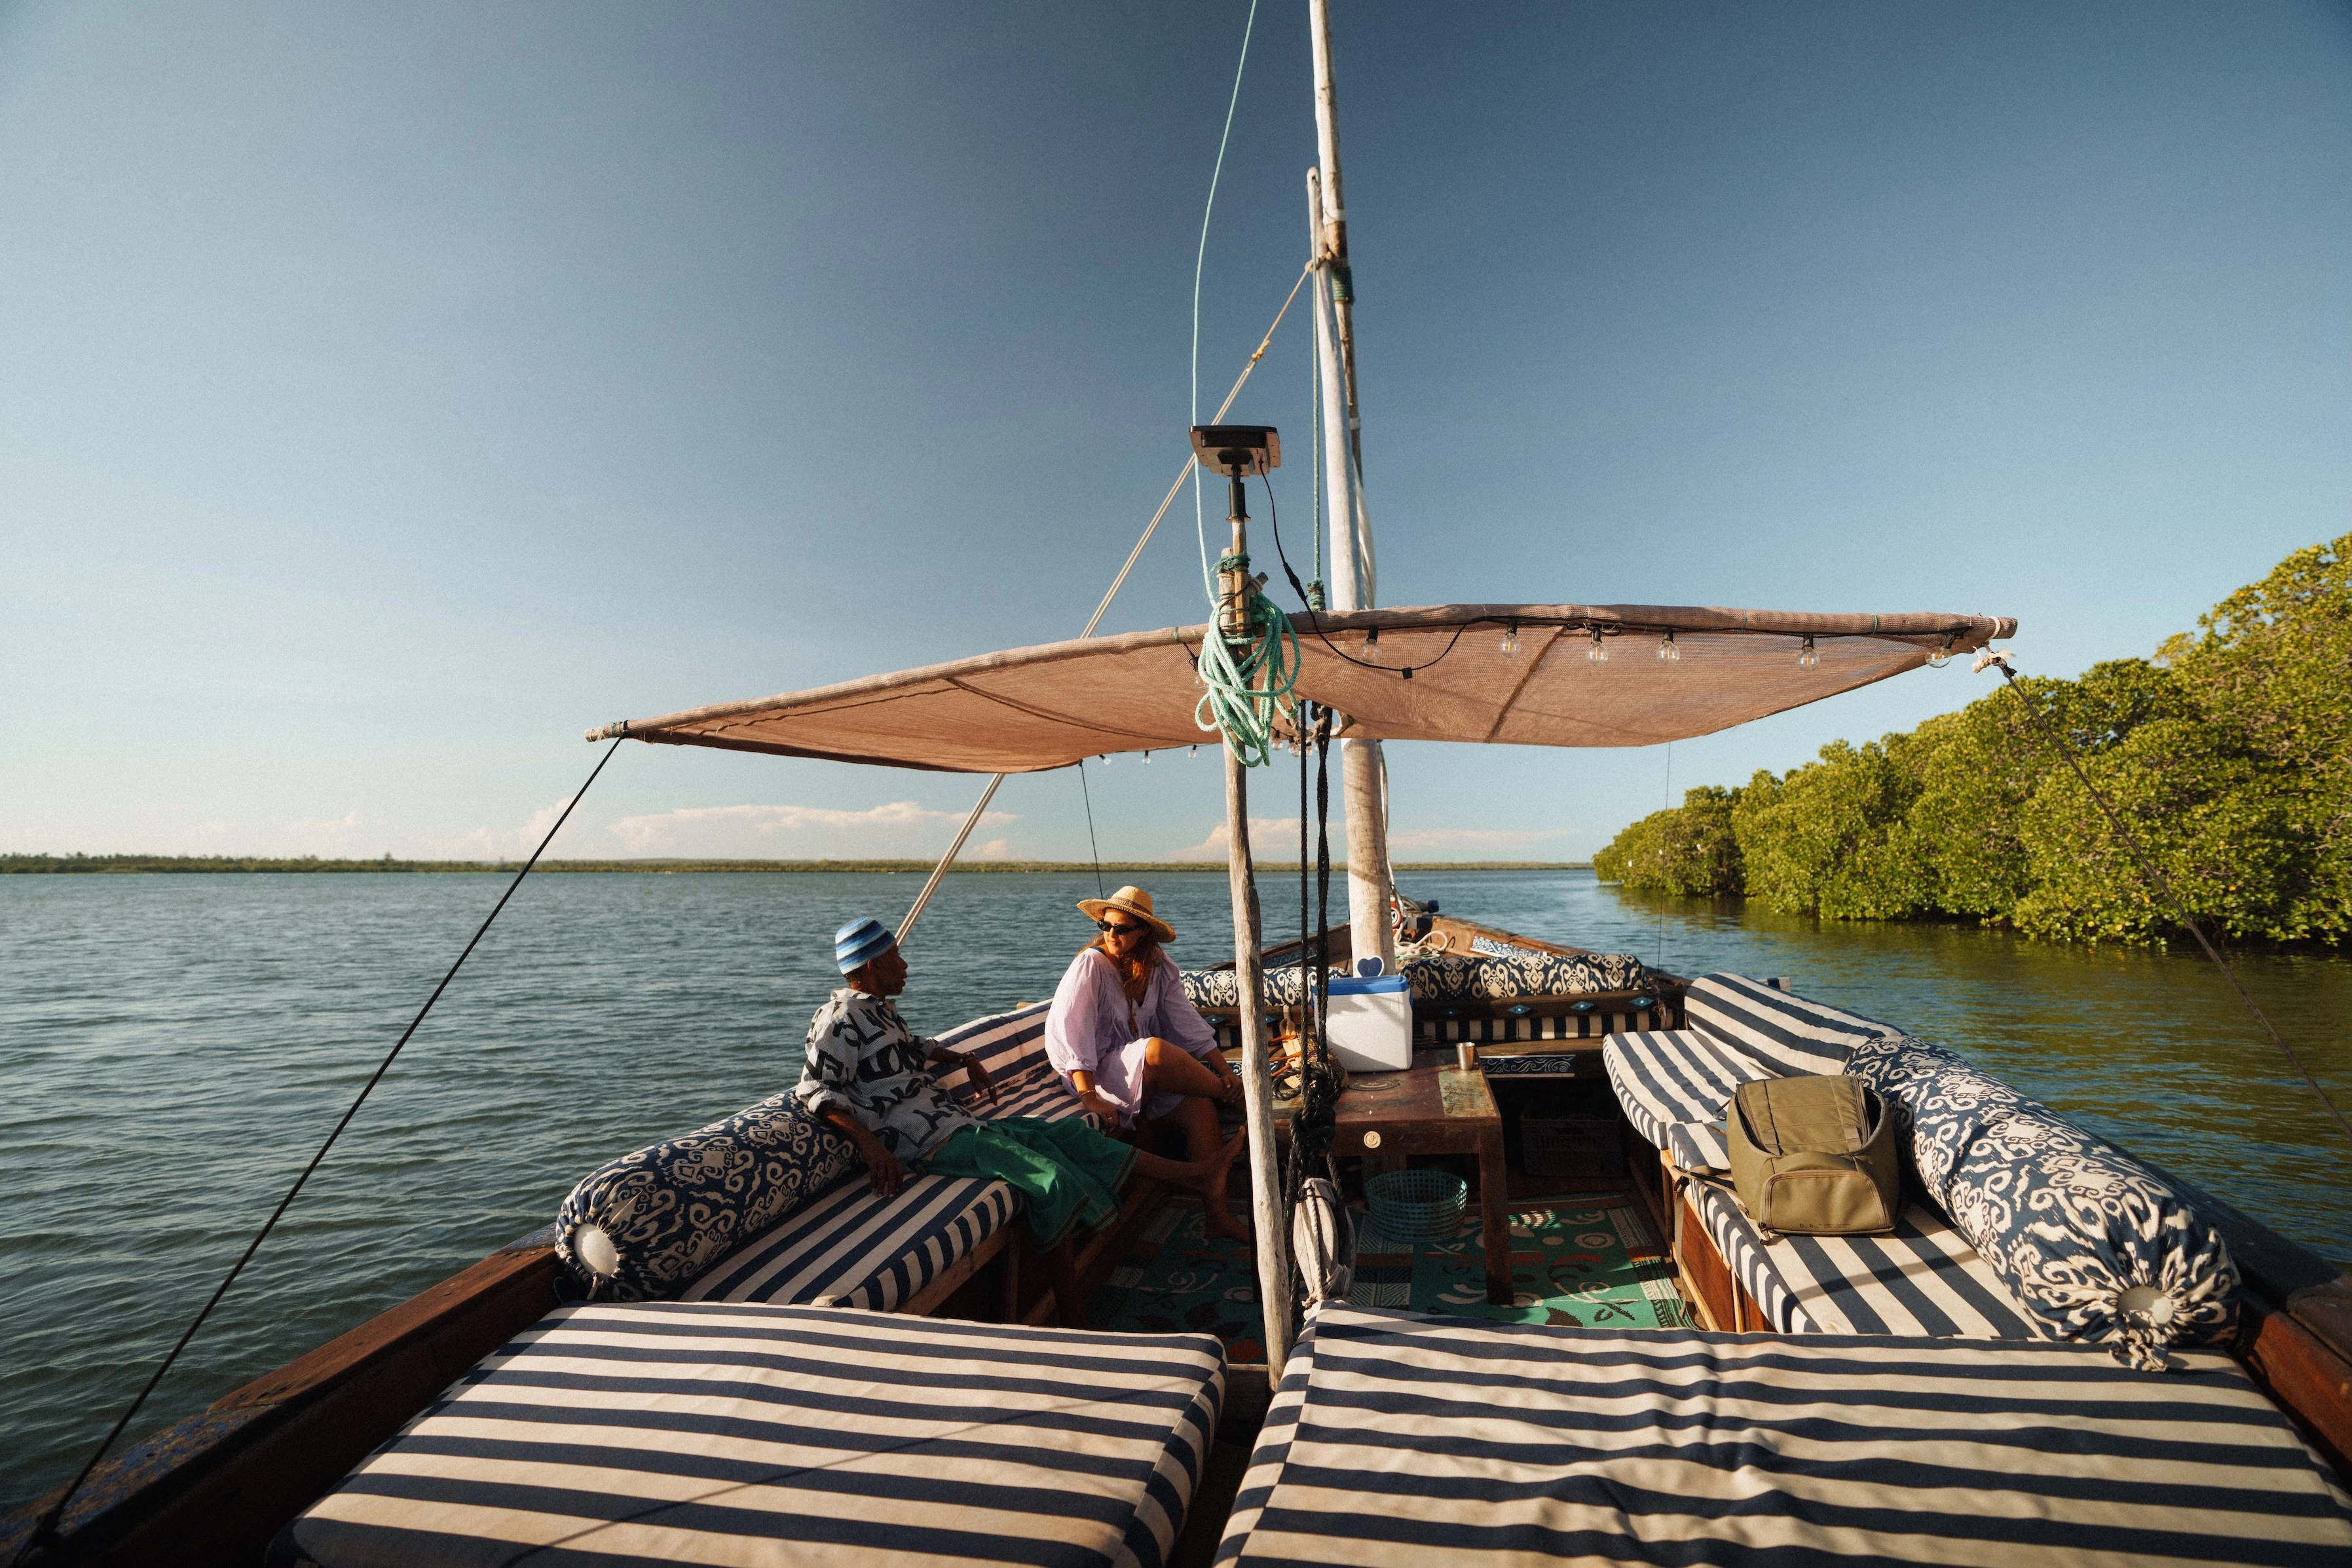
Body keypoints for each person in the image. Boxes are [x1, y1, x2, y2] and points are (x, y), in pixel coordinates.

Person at [796, 916, 1243, 1327]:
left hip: (953, 1123)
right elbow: (815, 1090)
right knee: (1049, 1177)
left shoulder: (878, 1010)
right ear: (874, 964)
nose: (906, 965)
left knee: (1067, 1134)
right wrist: (869, 1145)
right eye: (896, 957)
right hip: (924, 1141)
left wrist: (963, 1057)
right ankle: (1071, 1312)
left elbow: (913, 1048)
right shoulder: (839, 1018)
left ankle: (1196, 1175)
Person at [1043, 886, 1251, 1242]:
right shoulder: (1091, 964)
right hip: (1096, 1075)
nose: (1111, 934)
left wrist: (1222, 1067)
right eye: (1105, 925)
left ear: (1142, 933)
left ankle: (1216, 1216)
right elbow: (1070, 1031)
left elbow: (1184, 1021)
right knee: (1154, 1049)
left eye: (1121, 928)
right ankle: (1239, 1099)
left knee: (1198, 1105)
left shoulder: (1158, 968)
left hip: (1142, 1073)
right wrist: (1088, 1095)